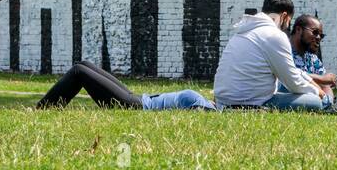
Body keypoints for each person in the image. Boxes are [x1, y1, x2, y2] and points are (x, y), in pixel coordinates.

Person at [213, 0, 327, 111]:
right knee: (314, 102)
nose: (287, 26)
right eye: (288, 22)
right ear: (284, 16)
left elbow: (290, 71)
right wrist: (317, 92)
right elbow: (293, 83)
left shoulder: (242, 32)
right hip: (251, 103)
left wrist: (308, 81)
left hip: (222, 102)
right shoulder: (275, 35)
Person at [36, 59, 217, 111]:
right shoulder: (205, 102)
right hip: (136, 98)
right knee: (84, 64)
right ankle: (47, 107)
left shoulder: (205, 108)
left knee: (79, 72)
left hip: (133, 106)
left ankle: (42, 110)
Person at [290, 14, 337, 100]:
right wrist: (321, 79)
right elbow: (288, 74)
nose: (319, 38)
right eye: (315, 32)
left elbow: (325, 86)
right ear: (298, 29)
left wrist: (328, 100)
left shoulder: (313, 59)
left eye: (321, 35)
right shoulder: (284, 51)